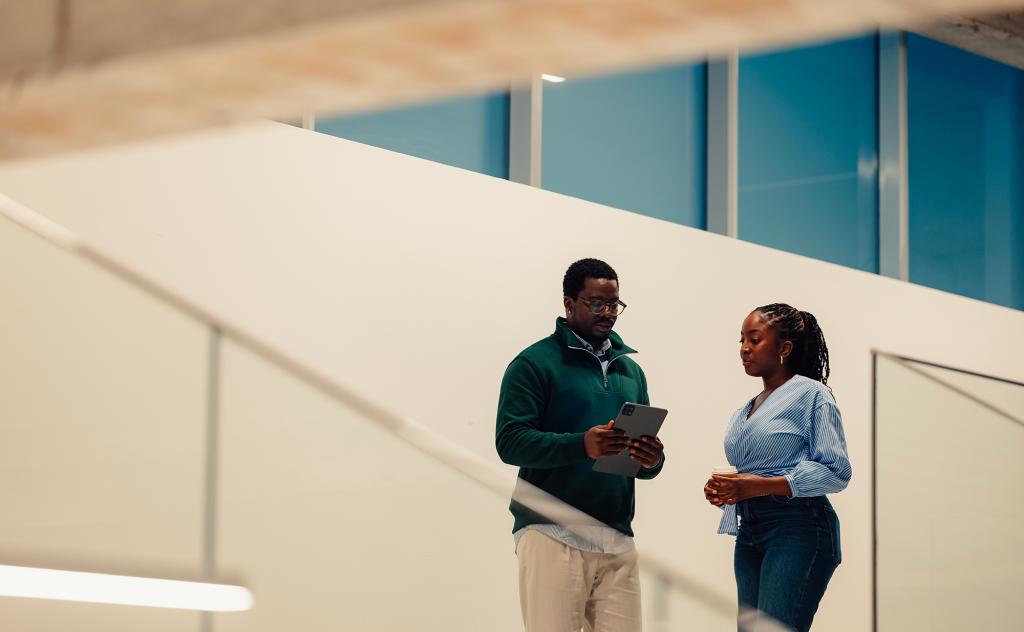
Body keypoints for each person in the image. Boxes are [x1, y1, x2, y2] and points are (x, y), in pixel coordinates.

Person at [496, 258, 665, 632]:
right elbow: (509, 442)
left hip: (617, 536)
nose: (608, 313)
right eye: (596, 303)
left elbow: (643, 461)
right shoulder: (533, 363)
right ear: (569, 304)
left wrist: (652, 459)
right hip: (550, 531)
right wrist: (581, 445)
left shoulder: (631, 371)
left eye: (614, 304)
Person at [704, 303, 851, 632]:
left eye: (754, 340)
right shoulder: (747, 408)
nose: (744, 349)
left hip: (798, 527)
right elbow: (749, 473)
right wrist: (727, 490)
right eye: (741, 340)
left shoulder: (813, 395)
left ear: (784, 348)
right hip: (750, 529)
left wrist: (757, 485)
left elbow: (836, 470)